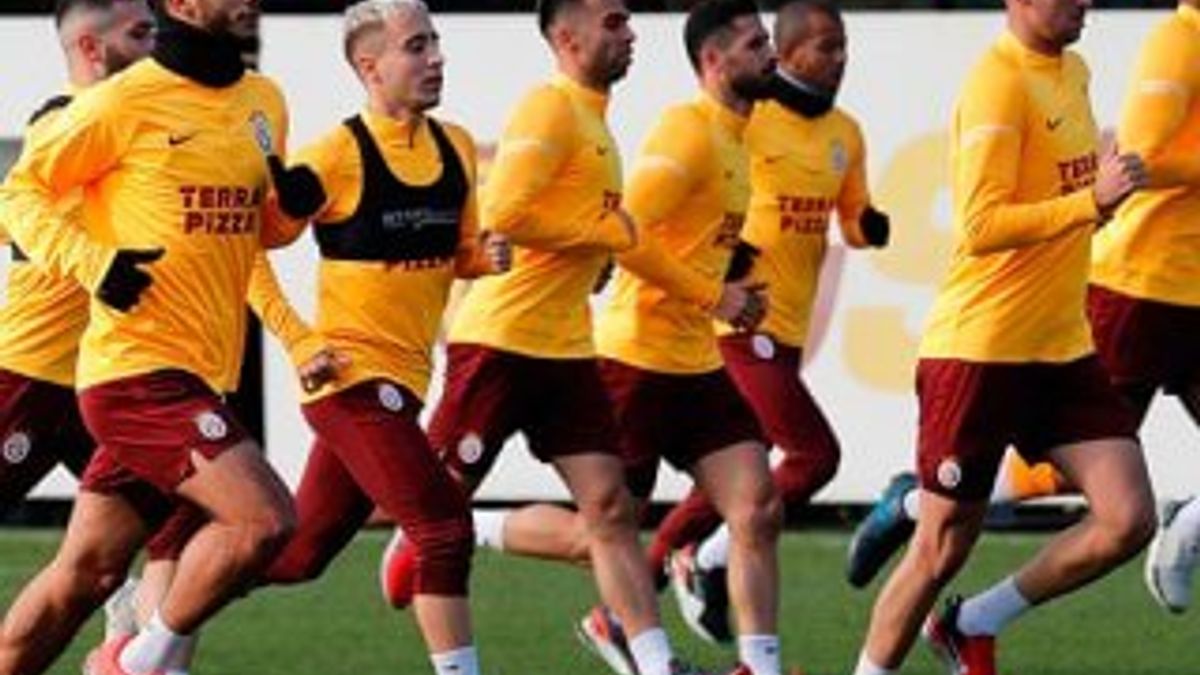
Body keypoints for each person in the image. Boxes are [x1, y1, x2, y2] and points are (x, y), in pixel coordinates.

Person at [377, 2, 705, 674]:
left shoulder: (596, 122)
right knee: (438, 519)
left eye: (627, 22)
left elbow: (574, 226)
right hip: (500, 342)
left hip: (567, 349)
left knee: (611, 509)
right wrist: (598, 236)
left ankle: (655, 662)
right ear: (567, 38)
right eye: (613, 22)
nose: (630, 34)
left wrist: (597, 252)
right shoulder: (549, 107)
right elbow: (505, 211)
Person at [0, 0, 326, 672]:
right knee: (264, 521)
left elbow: (252, 232)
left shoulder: (263, 99)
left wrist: (289, 214)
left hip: (198, 374)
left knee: (90, 572)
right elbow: (18, 195)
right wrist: (95, 264)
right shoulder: (117, 104)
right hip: (130, 372)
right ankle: (136, 663)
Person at [847, 0, 1200, 614]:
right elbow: (1138, 158)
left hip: (1178, 292)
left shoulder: (1076, 71)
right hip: (1142, 286)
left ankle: (972, 608)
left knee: (1101, 482)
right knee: (1068, 472)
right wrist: (1093, 202)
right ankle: (919, 508)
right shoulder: (1181, 41)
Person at [253, 3, 509, 674]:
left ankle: (155, 619)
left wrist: (486, 258)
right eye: (417, 47)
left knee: (297, 556)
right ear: (370, 67)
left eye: (436, 43)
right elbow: (245, 248)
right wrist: (298, 341)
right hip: (349, 380)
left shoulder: (455, 145)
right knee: (444, 530)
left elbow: (459, 254)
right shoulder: (335, 153)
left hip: (406, 381)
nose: (437, 58)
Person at [647, 0, 890, 644]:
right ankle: (705, 561)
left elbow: (851, 220)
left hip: (787, 329)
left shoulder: (846, 133)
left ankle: (637, 592)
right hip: (739, 322)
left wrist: (869, 226)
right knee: (813, 455)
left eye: (844, 46)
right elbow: (707, 192)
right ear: (790, 52)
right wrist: (724, 258)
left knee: (737, 479)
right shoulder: (751, 117)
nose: (840, 59)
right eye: (826, 46)